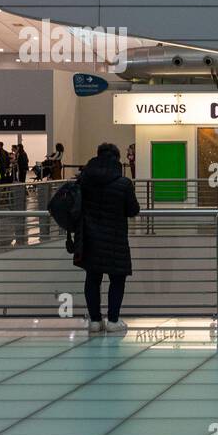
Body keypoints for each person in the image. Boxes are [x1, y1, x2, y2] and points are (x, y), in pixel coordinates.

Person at [76, 142, 140, 333]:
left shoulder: (84, 181)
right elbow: (133, 210)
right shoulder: (124, 183)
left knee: (92, 278)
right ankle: (113, 321)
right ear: (117, 160)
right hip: (115, 238)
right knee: (117, 279)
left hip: (90, 237)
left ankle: (95, 321)